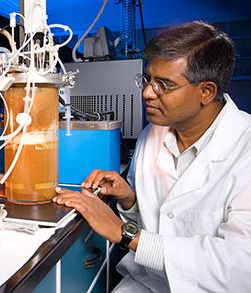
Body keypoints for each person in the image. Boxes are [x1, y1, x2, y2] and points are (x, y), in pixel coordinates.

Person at [53, 21, 251, 292]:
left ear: (206, 92)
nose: (147, 92)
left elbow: (239, 267)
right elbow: (161, 221)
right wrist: (130, 199)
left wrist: (126, 235)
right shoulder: (153, 134)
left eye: (164, 85)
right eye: (147, 80)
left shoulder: (245, 149)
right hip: (145, 283)